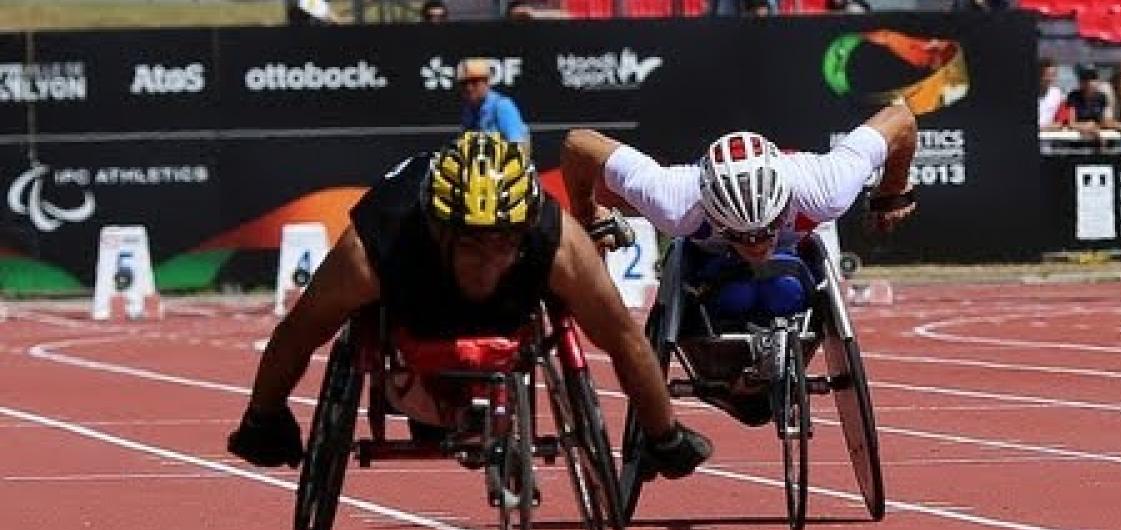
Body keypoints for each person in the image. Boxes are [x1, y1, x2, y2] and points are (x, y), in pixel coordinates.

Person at [227, 132, 712, 481]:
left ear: (525, 234)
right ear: (440, 232)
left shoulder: (557, 241)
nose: (489, 260)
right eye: (473, 245)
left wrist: (663, 432)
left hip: (504, 321)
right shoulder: (377, 245)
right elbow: (301, 330)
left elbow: (623, 338)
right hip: (415, 325)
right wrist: (263, 417)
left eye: (504, 244)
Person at [559, 103, 916, 427]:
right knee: (736, 297)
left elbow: (901, 119)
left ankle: (761, 369)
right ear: (711, 211)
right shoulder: (675, 199)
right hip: (712, 274)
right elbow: (578, 143)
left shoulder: (824, 186)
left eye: (767, 231)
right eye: (743, 236)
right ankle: (735, 379)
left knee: (783, 291)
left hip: (790, 268)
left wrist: (892, 189)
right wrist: (587, 213)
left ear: (783, 207)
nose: (758, 246)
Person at [458, 59, 530, 148]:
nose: (469, 88)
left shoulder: (502, 106)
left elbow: (518, 146)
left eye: (474, 82)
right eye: (464, 84)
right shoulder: (469, 111)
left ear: (487, 82)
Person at [1064, 64, 1109, 136]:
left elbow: (1105, 121)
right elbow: (1071, 123)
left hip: (1098, 135)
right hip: (1077, 138)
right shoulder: (1073, 96)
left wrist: (1094, 127)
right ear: (1081, 82)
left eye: (1093, 78)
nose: (1090, 82)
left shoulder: (1102, 97)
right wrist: (1087, 127)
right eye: (1086, 79)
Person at [1037, 58, 1066, 130]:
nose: (1049, 78)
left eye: (1052, 75)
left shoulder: (1059, 94)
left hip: (1048, 136)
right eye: (1046, 75)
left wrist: (1042, 127)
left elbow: (1060, 122)